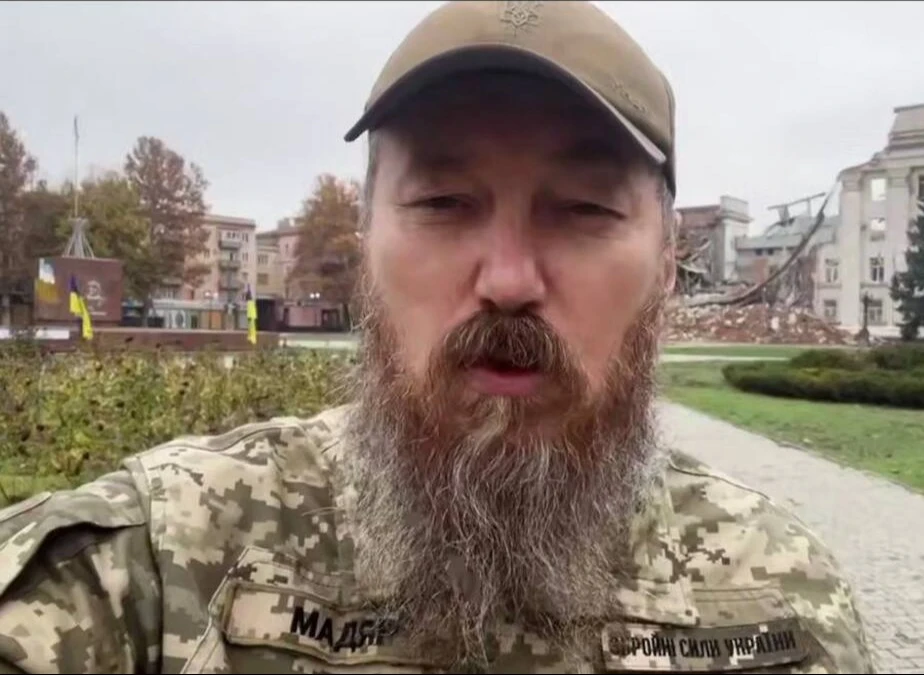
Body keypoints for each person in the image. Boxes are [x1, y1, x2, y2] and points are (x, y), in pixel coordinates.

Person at [0, 1, 876, 673]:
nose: (508, 278)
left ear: (666, 269)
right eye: (444, 203)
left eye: (583, 209)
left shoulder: (778, 597)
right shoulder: (164, 559)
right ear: (366, 249)